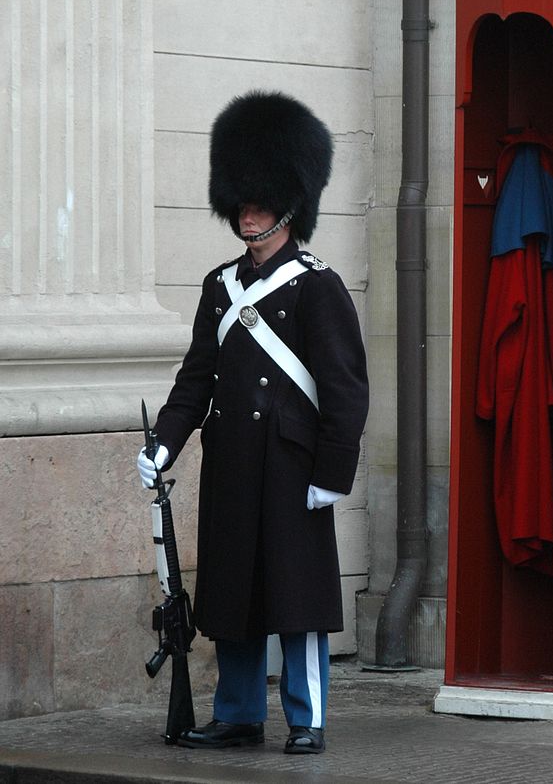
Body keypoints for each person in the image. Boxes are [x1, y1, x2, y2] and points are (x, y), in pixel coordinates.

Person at [136, 90, 369, 755]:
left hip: (294, 465)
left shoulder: (318, 286)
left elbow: (346, 391)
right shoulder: (220, 287)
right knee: (232, 596)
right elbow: (196, 380)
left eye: (261, 201)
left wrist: (332, 473)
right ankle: (237, 713)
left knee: (297, 602)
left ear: (289, 207)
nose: (248, 211)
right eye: (241, 201)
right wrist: (164, 446)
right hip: (236, 460)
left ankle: (306, 717)